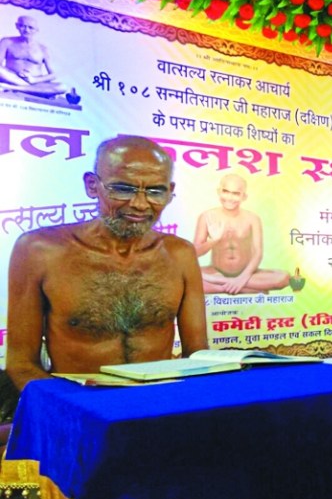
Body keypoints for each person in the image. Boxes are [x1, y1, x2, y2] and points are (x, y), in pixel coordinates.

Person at [5, 136, 209, 392]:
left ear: (170, 192)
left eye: (156, 191)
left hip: (157, 406)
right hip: (77, 410)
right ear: (92, 186)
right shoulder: (40, 250)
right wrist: (74, 413)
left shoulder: (180, 253)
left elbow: (198, 356)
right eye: (123, 189)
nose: (140, 204)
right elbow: (21, 365)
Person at [194, 174, 290, 294]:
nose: (230, 197)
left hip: (247, 273)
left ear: (244, 196)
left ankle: (222, 284)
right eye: (226, 191)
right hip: (215, 272)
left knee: (283, 278)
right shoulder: (207, 216)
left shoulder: (252, 218)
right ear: (219, 191)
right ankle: (244, 288)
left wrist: (243, 277)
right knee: (185, 275)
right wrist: (214, 240)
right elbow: (195, 253)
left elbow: (257, 253)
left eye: (236, 193)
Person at [0, 16, 66, 97]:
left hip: (35, 83)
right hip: (13, 78)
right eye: (23, 26)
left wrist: (34, 80)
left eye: (30, 28)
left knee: (62, 87)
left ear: (36, 30)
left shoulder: (43, 49)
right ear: (17, 26)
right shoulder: (7, 42)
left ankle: (14, 88)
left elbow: (53, 74)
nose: (26, 30)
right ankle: (31, 90)